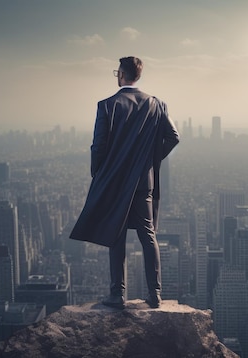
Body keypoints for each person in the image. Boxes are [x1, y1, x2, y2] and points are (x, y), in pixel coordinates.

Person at [69, 56, 180, 309]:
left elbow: (98, 147)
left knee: (115, 233)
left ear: (121, 74)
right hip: (144, 181)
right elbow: (174, 137)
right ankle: (155, 294)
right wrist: (150, 161)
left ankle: (117, 294)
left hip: (115, 180)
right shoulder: (157, 105)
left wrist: (99, 174)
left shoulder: (107, 105)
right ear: (137, 76)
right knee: (147, 235)